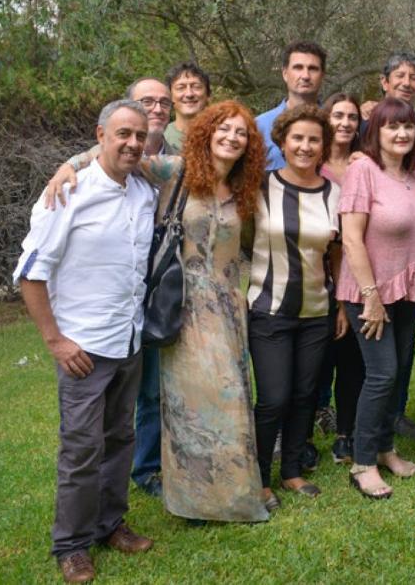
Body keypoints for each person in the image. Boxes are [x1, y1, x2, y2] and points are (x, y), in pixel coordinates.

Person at [49, 100, 271, 523]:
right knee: (188, 403)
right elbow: (119, 155)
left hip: (228, 307)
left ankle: (235, 493)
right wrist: (69, 166)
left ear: (249, 143)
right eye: (224, 128)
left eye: (241, 132)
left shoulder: (245, 187)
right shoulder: (176, 171)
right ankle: (194, 500)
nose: (231, 137)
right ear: (208, 132)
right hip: (181, 306)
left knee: (232, 395)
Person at [16, 100, 155, 583]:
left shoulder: (144, 192)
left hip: (129, 340)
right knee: (81, 450)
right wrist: (55, 341)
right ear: (100, 136)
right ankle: (71, 545)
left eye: (140, 136)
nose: (132, 143)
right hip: (84, 349)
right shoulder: (68, 194)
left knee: (120, 439)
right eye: (123, 134)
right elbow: (31, 273)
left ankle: (110, 523)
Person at [337, 97, 415, 499]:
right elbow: (351, 238)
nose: (402, 133)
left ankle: (384, 448)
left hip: (406, 290)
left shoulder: (413, 173)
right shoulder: (363, 169)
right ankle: (363, 463)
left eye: (408, 126)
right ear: (375, 132)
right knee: (381, 374)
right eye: (392, 126)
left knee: (396, 374)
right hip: (370, 291)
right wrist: (371, 297)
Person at [247, 104, 342, 509]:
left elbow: (337, 251)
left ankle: (291, 471)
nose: (305, 146)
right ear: (282, 142)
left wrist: (341, 306)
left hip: (317, 312)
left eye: (314, 140)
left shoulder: (334, 192)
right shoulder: (258, 185)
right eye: (297, 138)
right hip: (268, 310)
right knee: (273, 398)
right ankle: (258, 479)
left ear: (323, 146)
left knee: (305, 395)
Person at [364, 50, 415, 438]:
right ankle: (363, 424)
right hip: (377, 252)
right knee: (374, 350)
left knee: (406, 341)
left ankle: (395, 415)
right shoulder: (366, 123)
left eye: (414, 77)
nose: (407, 82)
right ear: (384, 82)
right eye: (399, 75)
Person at [121, 78, 173, 499]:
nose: (157, 108)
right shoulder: (114, 157)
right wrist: (70, 165)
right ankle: (145, 468)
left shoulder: (177, 158)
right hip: (123, 287)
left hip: (167, 284)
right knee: (142, 388)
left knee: (163, 381)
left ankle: (166, 460)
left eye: (163, 102)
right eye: (147, 101)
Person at [315, 93, 367, 464]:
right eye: (338, 115)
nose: (345, 123)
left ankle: (346, 434)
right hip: (314, 273)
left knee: (352, 360)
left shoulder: (365, 164)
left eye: (352, 116)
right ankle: (301, 435)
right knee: (315, 361)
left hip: (356, 271)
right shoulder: (311, 164)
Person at [256, 40, 328, 170]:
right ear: (285, 74)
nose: (305, 76)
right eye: (298, 67)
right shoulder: (260, 126)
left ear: (322, 75)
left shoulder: (334, 123)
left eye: (313, 69)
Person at [163, 61, 212, 152]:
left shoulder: (222, 136)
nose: (189, 94)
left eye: (196, 87)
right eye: (181, 88)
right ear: (169, 96)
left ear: (208, 95)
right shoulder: (160, 137)